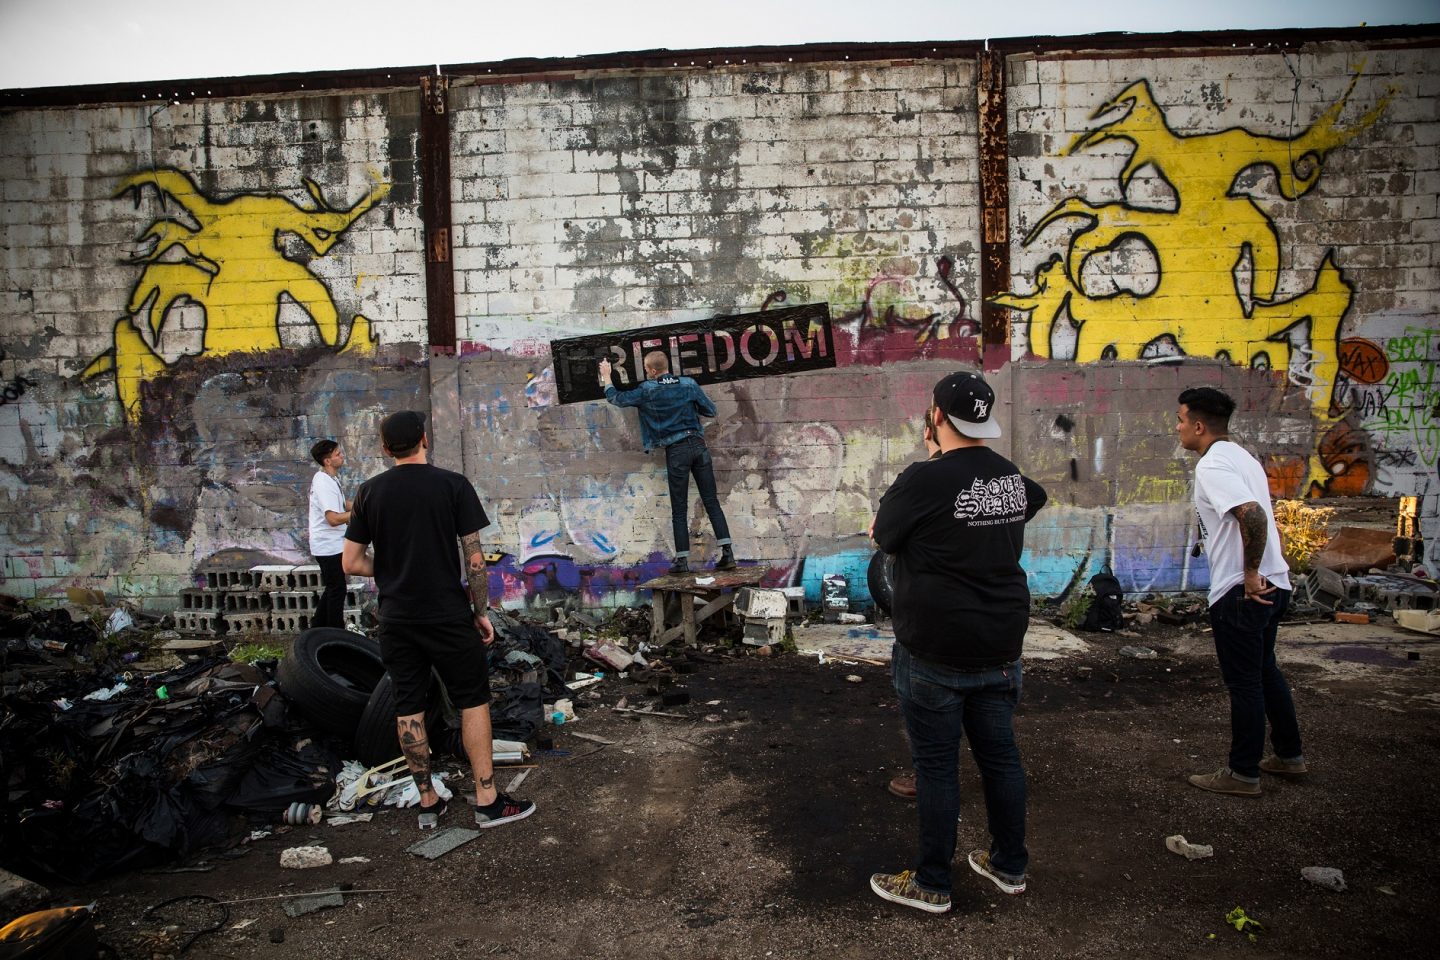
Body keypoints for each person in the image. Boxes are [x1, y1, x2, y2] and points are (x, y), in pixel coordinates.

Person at [868, 371, 1047, 914]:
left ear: (938, 418)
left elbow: (883, 535)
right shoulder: (1008, 476)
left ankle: (932, 883)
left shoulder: (925, 479)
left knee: (937, 767)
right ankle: (1008, 865)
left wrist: (933, 462)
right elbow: (1034, 497)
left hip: (936, 646)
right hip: (1001, 642)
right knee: (1000, 757)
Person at [342, 410, 535, 831]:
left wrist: (391, 568)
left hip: (396, 617)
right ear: (425, 440)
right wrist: (480, 612)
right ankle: (487, 801)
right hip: (447, 615)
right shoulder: (452, 485)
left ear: (384, 448)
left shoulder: (369, 492)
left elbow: (351, 562)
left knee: (408, 705)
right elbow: (476, 560)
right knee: (472, 700)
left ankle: (427, 802)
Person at [1177, 386, 1305, 797]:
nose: (1177, 428)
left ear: (1199, 426)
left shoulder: (1213, 465)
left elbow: (1251, 515)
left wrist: (1249, 573)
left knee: (1246, 682)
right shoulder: (1243, 458)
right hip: (1275, 583)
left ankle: (1242, 773)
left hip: (1243, 590)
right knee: (1265, 671)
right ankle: (1289, 755)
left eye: (1180, 420)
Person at [598, 352, 736, 574]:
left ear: (653, 371)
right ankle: (728, 554)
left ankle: (682, 561)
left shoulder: (647, 390)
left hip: (677, 451)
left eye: (646, 369)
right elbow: (710, 410)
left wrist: (606, 376)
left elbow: (617, 398)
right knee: (711, 501)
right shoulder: (689, 384)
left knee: (679, 508)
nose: (646, 372)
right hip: (698, 446)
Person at [307, 440, 351, 630]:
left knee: (334, 587)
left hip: (333, 544)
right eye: (337, 454)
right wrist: (361, 513)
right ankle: (335, 631)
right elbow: (333, 518)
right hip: (327, 545)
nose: (341, 456)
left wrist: (366, 503)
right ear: (327, 461)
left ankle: (317, 627)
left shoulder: (330, 478)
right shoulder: (323, 483)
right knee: (337, 589)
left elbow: (342, 504)